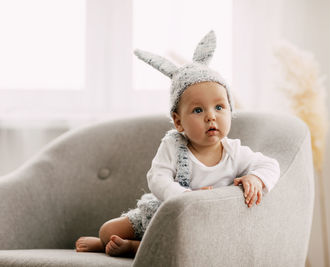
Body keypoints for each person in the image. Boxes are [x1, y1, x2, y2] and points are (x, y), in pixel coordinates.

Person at [75, 30, 280, 258]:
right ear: (178, 121)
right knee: (108, 231)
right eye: (198, 110)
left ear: (231, 111)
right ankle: (106, 242)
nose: (211, 116)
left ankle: (134, 248)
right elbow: (158, 178)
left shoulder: (234, 152)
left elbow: (271, 165)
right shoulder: (173, 145)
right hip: (166, 212)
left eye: (220, 107)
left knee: (188, 247)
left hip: (203, 225)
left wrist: (256, 178)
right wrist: (183, 196)